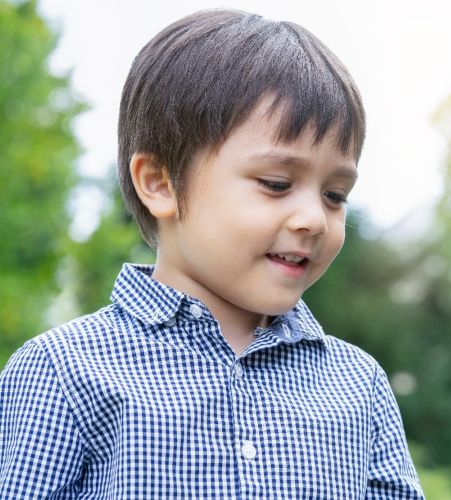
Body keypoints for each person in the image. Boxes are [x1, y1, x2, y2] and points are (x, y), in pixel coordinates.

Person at [0, 9, 424, 499]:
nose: (313, 218)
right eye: (276, 183)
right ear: (159, 184)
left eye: (335, 194)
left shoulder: (358, 385)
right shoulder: (62, 373)